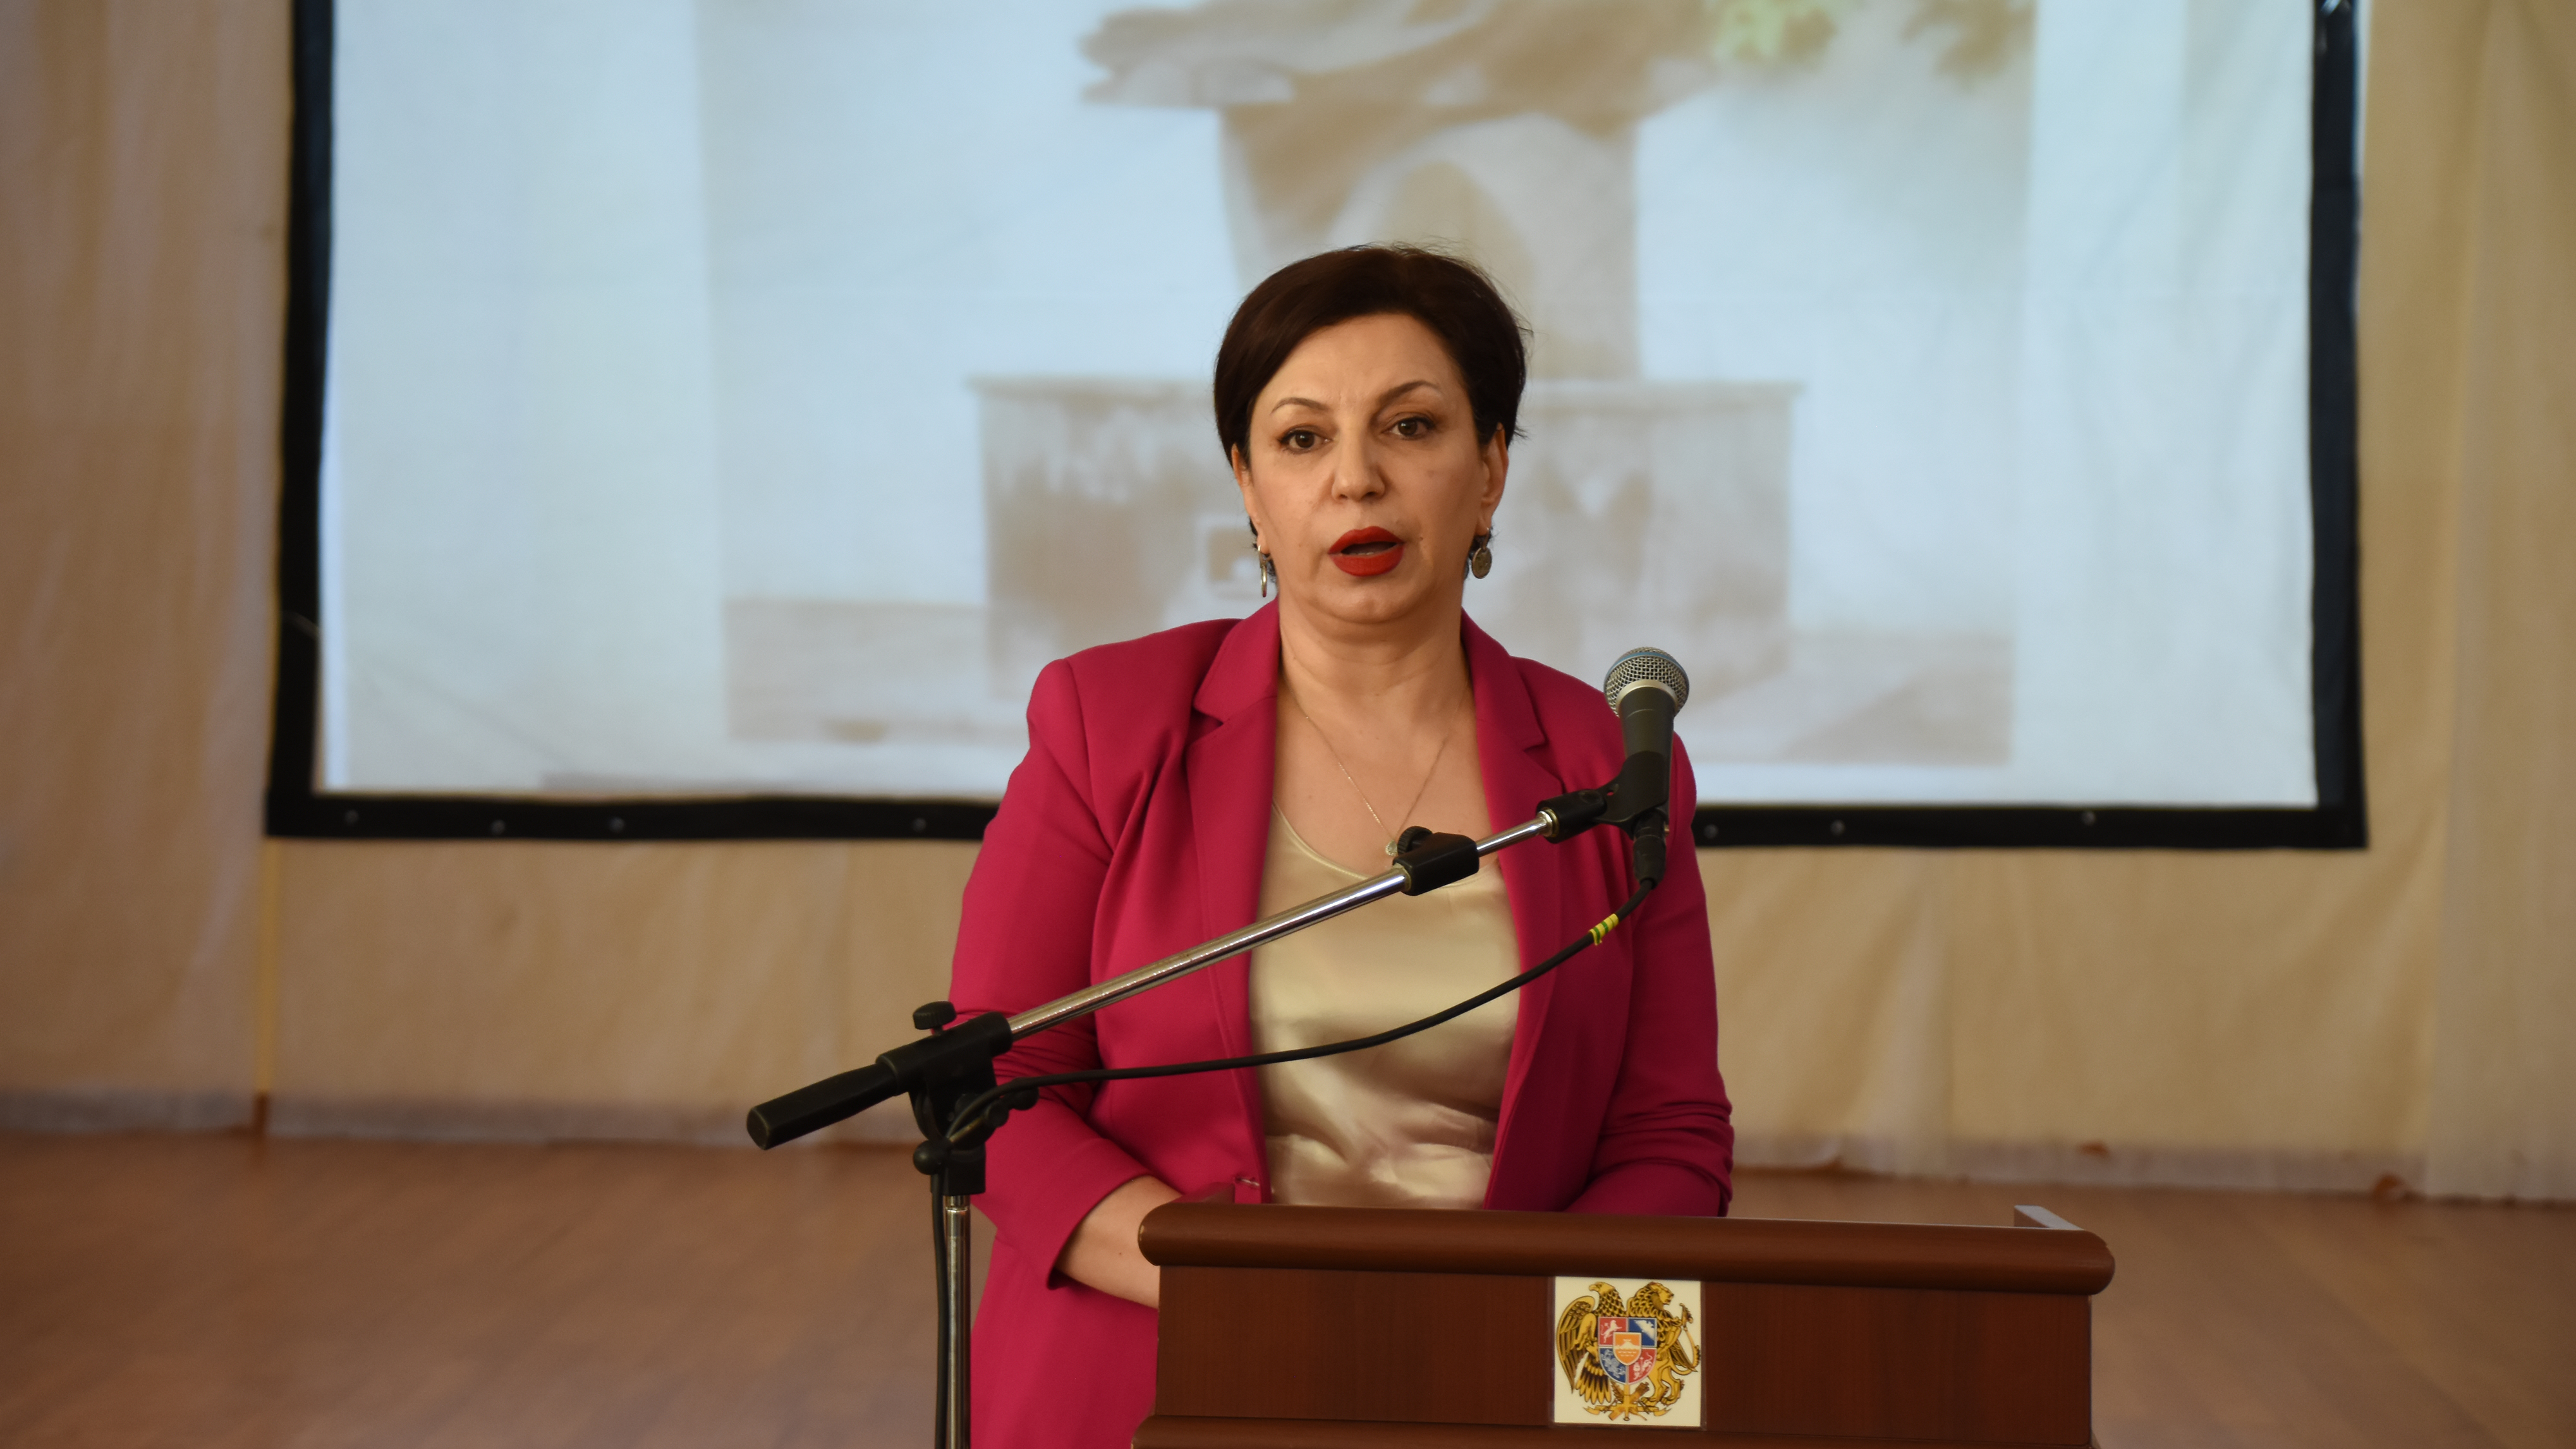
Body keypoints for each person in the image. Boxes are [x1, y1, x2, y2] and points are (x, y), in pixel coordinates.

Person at [948, 245, 1733, 1448]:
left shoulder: (1611, 763)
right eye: (1303, 438)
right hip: (1161, 1366)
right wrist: (1248, 1293)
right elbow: (997, 1093)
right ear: (1248, 486)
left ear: (1491, 470)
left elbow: (1670, 1136)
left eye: (1411, 427)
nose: (1356, 478)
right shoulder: (1108, 723)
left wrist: (1519, 1347)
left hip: (1493, 1379)